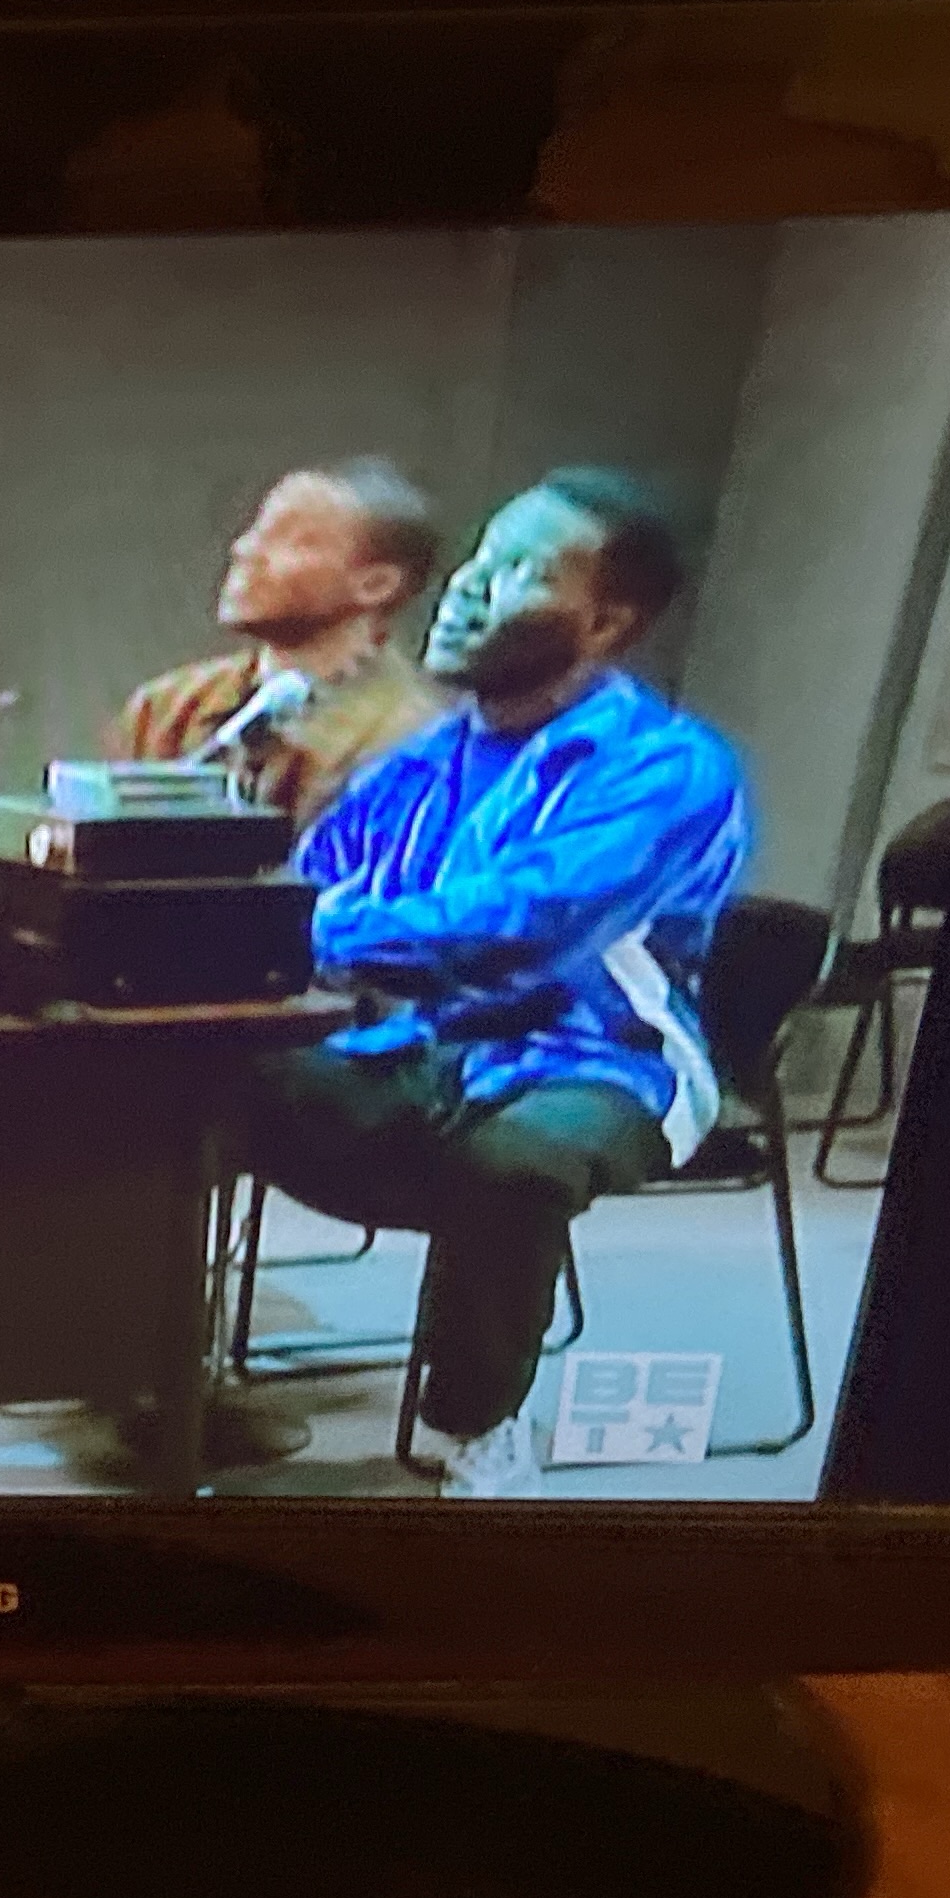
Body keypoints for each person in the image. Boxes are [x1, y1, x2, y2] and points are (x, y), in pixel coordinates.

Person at [246, 468, 750, 1497]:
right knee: (185, 1076)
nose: (471, 584)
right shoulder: (422, 761)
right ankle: (164, 1379)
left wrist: (305, 930)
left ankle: (474, 1424)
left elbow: (521, 925)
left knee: (514, 1162)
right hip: (421, 1048)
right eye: (481, 554)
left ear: (605, 623)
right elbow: (304, 887)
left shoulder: (665, 766)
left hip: (601, 1059)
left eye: (521, 570)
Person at [110, 460, 449, 826]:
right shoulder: (167, 709)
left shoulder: (416, 740)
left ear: (375, 585)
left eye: (296, 540)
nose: (245, 549)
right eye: (257, 529)